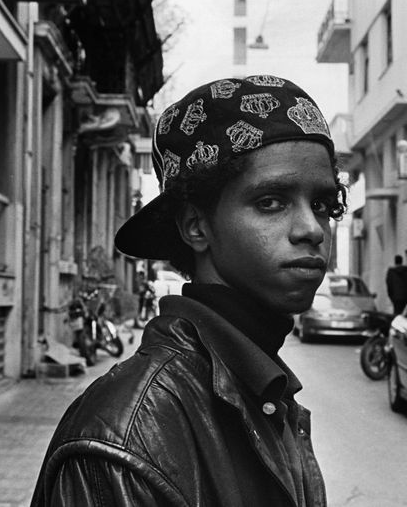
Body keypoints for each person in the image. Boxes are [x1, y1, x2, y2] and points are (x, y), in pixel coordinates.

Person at [31, 75, 345, 506]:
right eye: (271, 202)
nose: (312, 229)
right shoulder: (128, 436)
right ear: (196, 226)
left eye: (324, 206)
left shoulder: (263, 386)